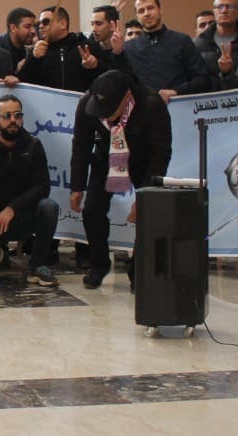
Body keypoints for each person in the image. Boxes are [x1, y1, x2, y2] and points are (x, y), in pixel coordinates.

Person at [69, 70, 172, 289]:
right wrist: (77, 186)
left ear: (126, 97)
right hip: (106, 161)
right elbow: (81, 145)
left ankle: (138, 271)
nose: (104, 116)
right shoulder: (87, 104)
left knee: (146, 214)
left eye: (109, 111)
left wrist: (144, 195)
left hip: (143, 163)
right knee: (92, 211)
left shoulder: (152, 105)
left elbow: (160, 153)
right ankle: (99, 265)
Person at [0, 94, 60, 285]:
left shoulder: (33, 145)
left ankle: (37, 266)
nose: (13, 121)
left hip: (23, 215)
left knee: (49, 207)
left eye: (17, 116)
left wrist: (12, 208)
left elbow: (42, 187)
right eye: (7, 116)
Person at [123, 0, 211, 101]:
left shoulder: (182, 41)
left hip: (179, 107)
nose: (146, 14)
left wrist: (176, 91)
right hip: (144, 112)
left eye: (150, 8)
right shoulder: (129, 48)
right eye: (141, 11)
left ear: (160, 10)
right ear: (137, 16)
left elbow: (203, 79)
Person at [20, 6, 103, 92]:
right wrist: (33, 58)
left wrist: (96, 65)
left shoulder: (86, 46)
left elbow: (107, 77)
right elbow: (23, 82)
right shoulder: (37, 50)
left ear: (63, 24)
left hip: (81, 102)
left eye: (46, 22)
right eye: (39, 23)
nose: (40, 26)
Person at [194, 0, 238, 91]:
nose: (224, 11)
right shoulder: (197, 44)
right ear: (214, 12)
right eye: (219, 7)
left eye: (230, 7)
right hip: (207, 101)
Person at [0, 7, 37, 72]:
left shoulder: (25, 50)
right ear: (13, 28)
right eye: (27, 27)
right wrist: (15, 71)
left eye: (34, 26)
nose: (33, 31)